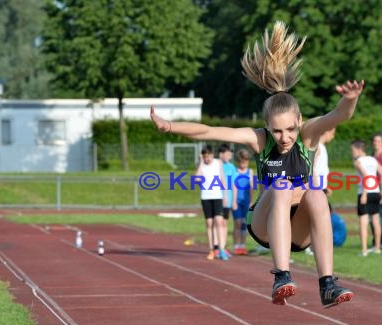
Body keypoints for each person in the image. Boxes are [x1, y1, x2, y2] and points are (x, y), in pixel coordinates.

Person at [150, 20, 364, 307]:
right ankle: (281, 276)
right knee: (282, 185)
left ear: (299, 122)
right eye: (277, 131)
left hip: (299, 230)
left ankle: (327, 284)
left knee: (316, 192)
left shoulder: (308, 135)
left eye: (290, 129)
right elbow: (208, 131)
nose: (285, 137)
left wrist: (350, 100)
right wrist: (170, 126)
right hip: (265, 224)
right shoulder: (259, 139)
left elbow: (338, 116)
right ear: (266, 126)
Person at [303, 127, 335, 256]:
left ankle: (313, 246)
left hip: (320, 187)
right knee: (316, 219)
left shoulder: (322, 147)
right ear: (326, 131)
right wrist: (318, 187)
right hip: (316, 188)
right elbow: (312, 168)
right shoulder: (318, 147)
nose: (333, 136)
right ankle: (308, 245)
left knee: (319, 218)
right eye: (332, 133)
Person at [351, 140, 382, 256]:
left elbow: (365, 176)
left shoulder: (358, 161)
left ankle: (364, 250)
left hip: (365, 192)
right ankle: (377, 248)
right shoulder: (373, 159)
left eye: (353, 150)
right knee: (376, 220)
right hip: (376, 192)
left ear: (359, 149)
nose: (352, 153)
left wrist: (365, 193)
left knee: (363, 221)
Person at [195, 146, 230, 261]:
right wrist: (200, 162)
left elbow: (223, 178)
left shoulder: (218, 163)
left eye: (209, 156)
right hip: (206, 197)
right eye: (205, 157)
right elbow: (197, 179)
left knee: (219, 222)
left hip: (217, 196)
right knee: (209, 223)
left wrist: (225, 195)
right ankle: (211, 249)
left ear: (212, 155)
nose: (207, 159)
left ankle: (221, 249)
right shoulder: (202, 165)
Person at [218, 144, 238, 256]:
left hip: (228, 199)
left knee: (224, 223)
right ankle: (217, 247)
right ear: (221, 154)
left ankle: (223, 247)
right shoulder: (215, 165)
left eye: (231, 154)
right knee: (218, 223)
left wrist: (234, 201)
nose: (230, 156)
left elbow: (235, 185)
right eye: (228, 154)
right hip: (216, 198)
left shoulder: (231, 167)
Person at [233, 148, 254, 255]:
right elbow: (234, 187)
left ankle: (242, 246)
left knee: (244, 224)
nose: (244, 164)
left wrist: (251, 201)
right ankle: (236, 246)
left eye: (246, 162)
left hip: (246, 201)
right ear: (238, 161)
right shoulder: (235, 171)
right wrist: (234, 202)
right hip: (237, 201)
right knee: (237, 223)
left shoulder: (250, 172)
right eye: (242, 162)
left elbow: (251, 188)